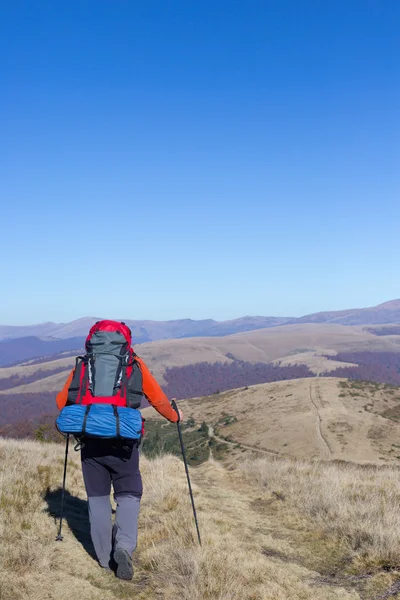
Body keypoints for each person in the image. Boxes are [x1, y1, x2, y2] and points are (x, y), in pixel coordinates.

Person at [56, 320, 182, 580]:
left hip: (90, 440)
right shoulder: (133, 363)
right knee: (128, 494)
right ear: (126, 341)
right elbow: (156, 398)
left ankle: (103, 558)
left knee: (98, 498)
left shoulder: (84, 364)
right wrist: (174, 417)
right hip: (124, 442)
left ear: (93, 340)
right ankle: (123, 548)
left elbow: (62, 401)